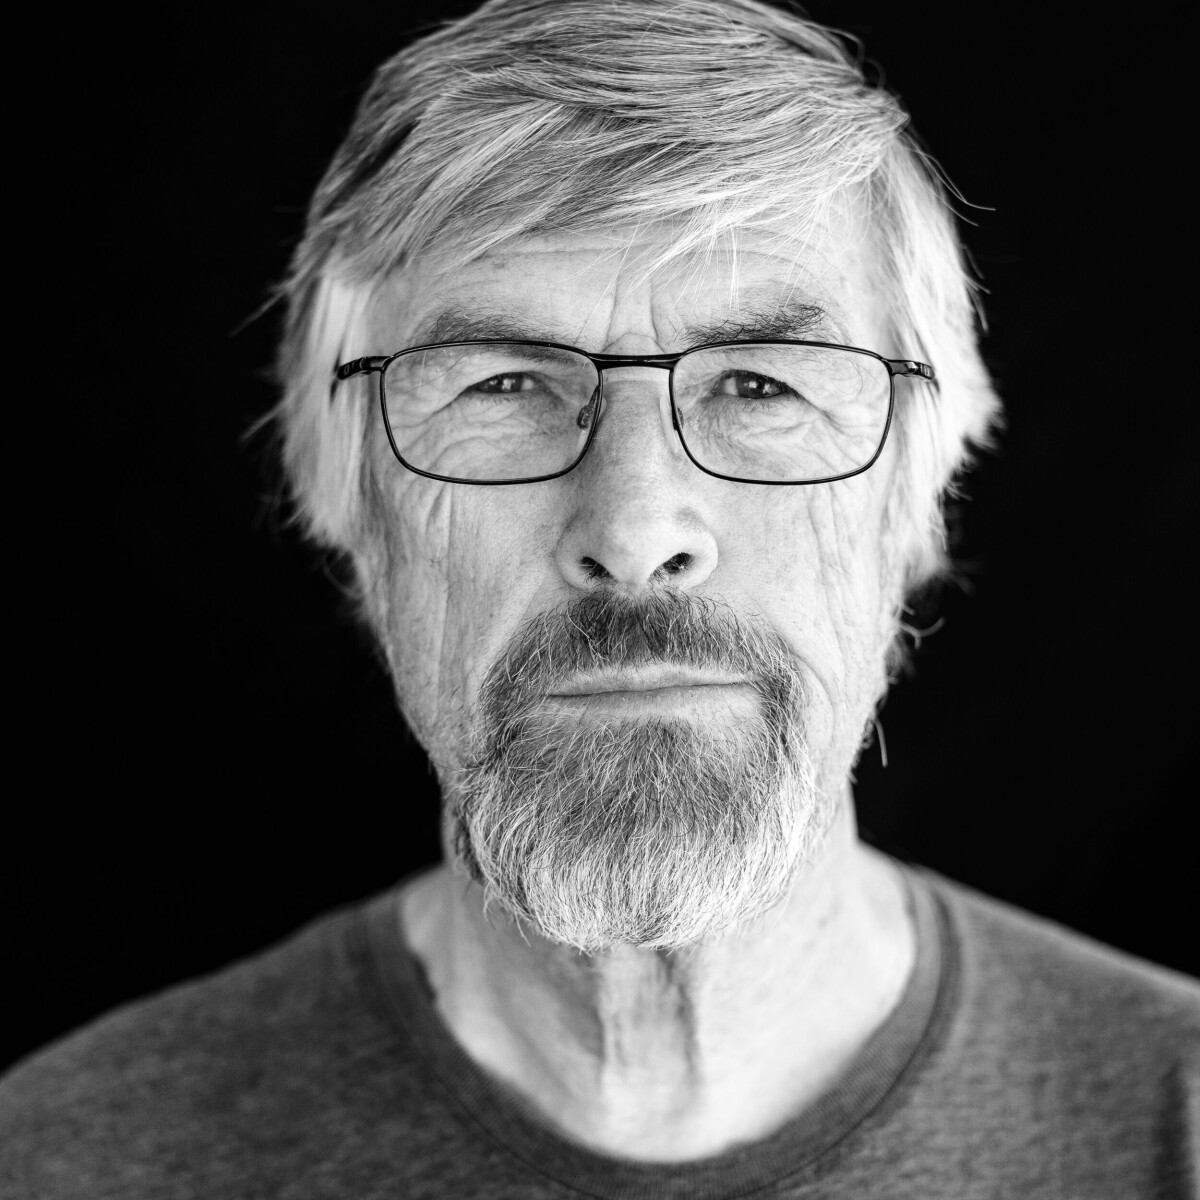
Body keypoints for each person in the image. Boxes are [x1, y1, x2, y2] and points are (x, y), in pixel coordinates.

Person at [3, 1, 1196, 1195]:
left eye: (759, 385)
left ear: (914, 501)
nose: (633, 533)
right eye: (504, 385)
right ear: (347, 506)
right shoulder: (65, 1160)